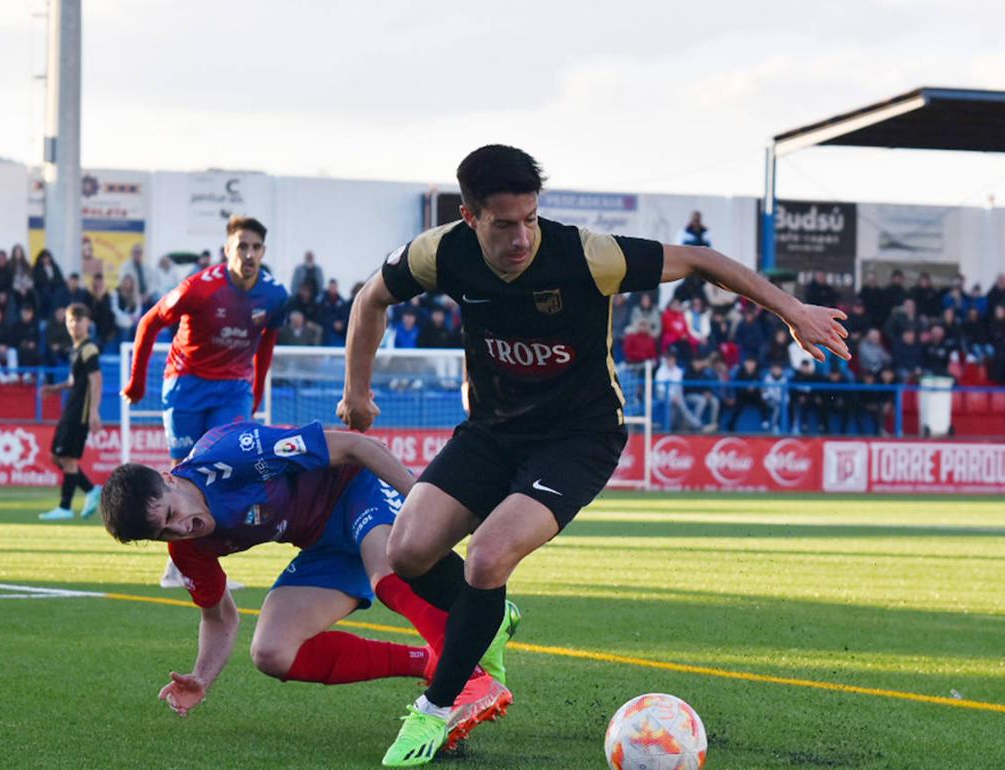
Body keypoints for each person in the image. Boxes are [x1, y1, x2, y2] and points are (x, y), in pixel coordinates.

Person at [336, 144, 850, 765]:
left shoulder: (583, 253)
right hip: (491, 432)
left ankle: (436, 710)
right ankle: (489, 618)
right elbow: (370, 298)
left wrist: (793, 312)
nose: (522, 236)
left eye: (530, 218)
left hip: (579, 437)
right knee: (408, 551)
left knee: (489, 556)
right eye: (504, 224)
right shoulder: (440, 252)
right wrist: (356, 393)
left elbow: (700, 259)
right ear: (470, 218)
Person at [97, 420, 518, 751]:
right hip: (322, 542)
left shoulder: (233, 456)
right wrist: (202, 678)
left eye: (172, 514)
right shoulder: (187, 550)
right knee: (272, 653)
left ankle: (467, 677)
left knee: (386, 572)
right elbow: (219, 615)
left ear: (168, 478)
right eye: (165, 534)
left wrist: (421, 505)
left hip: (358, 488)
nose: (182, 530)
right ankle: (434, 658)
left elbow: (356, 446)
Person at [123, 215, 288, 591]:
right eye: (241, 246)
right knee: (183, 474)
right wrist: (135, 381)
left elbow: (266, 346)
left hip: (233, 387)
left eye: (255, 247)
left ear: (263, 251)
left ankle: (209, 568)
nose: (248, 254)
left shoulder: (276, 295)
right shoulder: (198, 288)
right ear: (227, 249)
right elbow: (149, 322)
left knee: (227, 470)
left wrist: (257, 391)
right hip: (186, 384)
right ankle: (176, 564)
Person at [38, 304, 103, 521]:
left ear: (88, 322)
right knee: (57, 456)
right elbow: (76, 381)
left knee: (69, 459)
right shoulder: (76, 349)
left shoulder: (89, 349)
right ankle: (91, 490)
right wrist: (54, 389)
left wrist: (94, 412)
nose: (74, 324)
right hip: (71, 410)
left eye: (78, 320)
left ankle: (65, 507)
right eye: (70, 321)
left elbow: (96, 380)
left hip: (80, 413)